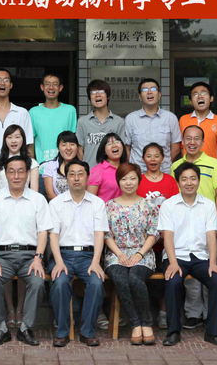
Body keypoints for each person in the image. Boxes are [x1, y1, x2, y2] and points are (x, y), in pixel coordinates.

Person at [0, 156, 52, 347]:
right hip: (2, 257)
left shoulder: (37, 199)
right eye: (11, 171)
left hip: (30, 257)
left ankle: (25, 328)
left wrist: (38, 258)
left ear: (28, 174)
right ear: (5, 174)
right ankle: (1, 328)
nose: (16, 176)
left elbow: (43, 232)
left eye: (21, 171)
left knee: (37, 282)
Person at [158, 162, 217, 347]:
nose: (189, 183)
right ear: (178, 182)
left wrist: (213, 263)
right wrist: (173, 262)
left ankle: (213, 332)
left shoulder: (208, 205)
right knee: (173, 282)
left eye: (193, 178)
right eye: (184, 179)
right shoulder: (169, 205)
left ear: (198, 180)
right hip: (176, 256)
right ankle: (173, 332)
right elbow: (168, 237)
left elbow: (212, 236)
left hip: (201, 257)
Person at [170, 125, 217, 328]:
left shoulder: (214, 163)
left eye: (196, 139)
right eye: (188, 138)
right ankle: (193, 313)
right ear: (182, 142)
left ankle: (209, 314)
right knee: (189, 275)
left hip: (208, 221)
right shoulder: (176, 165)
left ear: (203, 142)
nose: (192, 142)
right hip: (184, 225)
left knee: (209, 266)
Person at [48, 159, 108, 347]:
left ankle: (87, 331)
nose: (76, 178)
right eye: (72, 174)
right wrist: (58, 261)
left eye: (80, 174)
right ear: (66, 178)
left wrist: (96, 261)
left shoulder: (97, 203)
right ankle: (62, 331)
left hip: (88, 257)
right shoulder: (56, 203)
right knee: (60, 283)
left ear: (87, 177)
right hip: (63, 255)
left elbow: (99, 234)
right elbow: (53, 236)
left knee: (96, 283)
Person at [105, 163, 160, 345]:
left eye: (132, 178)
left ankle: (146, 323)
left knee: (135, 278)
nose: (128, 183)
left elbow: (153, 234)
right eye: (124, 179)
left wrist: (139, 254)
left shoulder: (149, 205)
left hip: (143, 253)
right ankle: (136, 323)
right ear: (118, 182)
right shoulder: (109, 206)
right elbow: (106, 235)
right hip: (116, 254)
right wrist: (119, 254)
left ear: (139, 180)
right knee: (121, 279)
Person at [134, 143, 179, 329]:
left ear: (163, 158)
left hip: (168, 239)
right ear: (143, 158)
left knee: (167, 275)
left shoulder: (170, 181)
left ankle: (163, 312)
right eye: (149, 156)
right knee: (144, 277)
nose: (152, 159)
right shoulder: (138, 180)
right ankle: (144, 314)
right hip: (144, 241)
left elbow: (176, 209)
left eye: (156, 156)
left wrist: (165, 234)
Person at [125, 78, 181, 174]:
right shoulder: (131, 119)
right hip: (139, 173)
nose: (149, 92)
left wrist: (161, 163)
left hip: (164, 172)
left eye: (153, 89)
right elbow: (127, 149)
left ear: (159, 95)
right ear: (140, 97)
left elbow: (176, 147)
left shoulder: (170, 118)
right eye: (145, 90)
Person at [75, 79, 127, 169]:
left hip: (112, 172)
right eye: (93, 92)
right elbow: (80, 150)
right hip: (90, 172)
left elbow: (123, 149)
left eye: (101, 91)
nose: (97, 95)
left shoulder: (119, 122)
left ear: (108, 96)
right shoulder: (82, 122)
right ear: (89, 98)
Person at [29, 73, 77, 164]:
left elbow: (73, 139)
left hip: (65, 165)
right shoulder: (33, 112)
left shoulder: (70, 110)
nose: (51, 87)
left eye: (55, 84)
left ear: (60, 88)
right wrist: (32, 164)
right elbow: (31, 141)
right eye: (47, 84)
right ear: (42, 87)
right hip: (42, 166)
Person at [178, 82, 217, 159]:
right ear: (191, 101)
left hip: (210, 165)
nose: (200, 96)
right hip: (188, 165)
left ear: (211, 98)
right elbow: (181, 146)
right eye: (195, 94)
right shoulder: (183, 120)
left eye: (204, 93)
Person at [0, 125, 39, 193]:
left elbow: (34, 192)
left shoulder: (32, 163)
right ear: (5, 140)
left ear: (23, 139)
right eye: (9, 137)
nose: (13, 141)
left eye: (17, 137)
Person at [87, 132, 127, 202]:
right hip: (104, 208)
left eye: (117, 142)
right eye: (109, 144)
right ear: (104, 151)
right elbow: (90, 200)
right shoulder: (98, 170)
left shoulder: (128, 168)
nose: (114, 145)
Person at [42, 131, 80, 200]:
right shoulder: (50, 166)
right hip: (56, 204)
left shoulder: (83, 167)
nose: (68, 148)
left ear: (77, 147)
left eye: (72, 144)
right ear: (58, 148)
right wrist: (62, 205)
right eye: (64, 145)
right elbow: (50, 194)